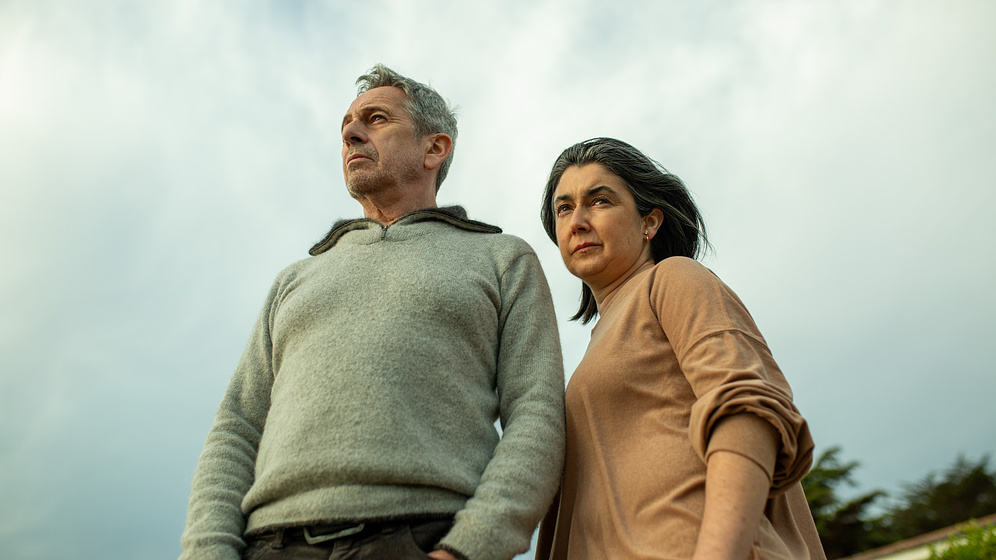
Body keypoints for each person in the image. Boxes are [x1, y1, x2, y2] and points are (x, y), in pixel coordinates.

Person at [179, 64, 566, 560]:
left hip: (422, 537)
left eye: (376, 118)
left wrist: (469, 549)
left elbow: (537, 413)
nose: (351, 133)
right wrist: (207, 552)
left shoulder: (502, 259)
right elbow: (237, 427)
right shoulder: (296, 279)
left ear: (434, 148)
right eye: (346, 126)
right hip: (271, 544)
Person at [534, 137, 825, 560]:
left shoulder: (672, 279)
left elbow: (748, 411)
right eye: (564, 208)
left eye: (599, 201)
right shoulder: (598, 342)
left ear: (650, 222)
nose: (577, 221)